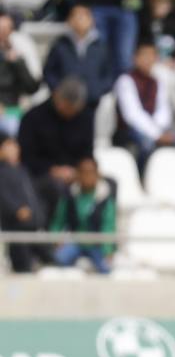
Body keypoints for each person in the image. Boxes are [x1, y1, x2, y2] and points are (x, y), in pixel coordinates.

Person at [17, 78, 95, 214]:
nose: (71, 112)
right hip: (41, 175)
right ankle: (56, 231)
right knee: (58, 187)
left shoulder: (85, 118)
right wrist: (53, 170)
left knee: (107, 185)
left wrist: (82, 169)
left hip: (76, 172)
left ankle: (97, 231)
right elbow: (26, 158)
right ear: (58, 98)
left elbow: (87, 152)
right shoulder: (33, 117)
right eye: (68, 107)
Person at [113, 41, 175, 166]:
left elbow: (163, 109)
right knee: (147, 144)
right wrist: (156, 134)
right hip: (129, 131)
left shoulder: (158, 81)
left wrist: (160, 129)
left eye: (152, 55)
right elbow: (132, 115)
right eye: (144, 55)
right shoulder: (125, 80)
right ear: (135, 58)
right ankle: (142, 179)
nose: (148, 60)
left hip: (155, 128)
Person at [47, 155, 115, 273]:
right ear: (77, 174)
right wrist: (56, 240)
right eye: (83, 172)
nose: (87, 176)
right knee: (59, 259)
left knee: (105, 268)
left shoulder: (105, 198)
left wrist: (108, 250)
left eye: (90, 172)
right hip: (75, 241)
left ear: (97, 174)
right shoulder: (69, 196)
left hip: (97, 244)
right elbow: (58, 221)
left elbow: (108, 226)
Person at [43, 5, 117, 103]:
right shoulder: (60, 45)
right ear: (69, 20)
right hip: (65, 103)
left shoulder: (101, 46)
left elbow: (109, 74)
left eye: (83, 16)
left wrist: (97, 90)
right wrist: (59, 90)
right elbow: (49, 72)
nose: (79, 20)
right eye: (75, 16)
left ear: (92, 20)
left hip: (93, 102)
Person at [0, 129, 45, 271]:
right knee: (22, 266)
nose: (14, 149)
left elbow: (33, 195)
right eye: (9, 145)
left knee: (49, 261)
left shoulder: (23, 170)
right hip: (15, 227)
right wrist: (16, 210)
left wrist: (40, 213)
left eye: (15, 145)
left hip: (34, 226)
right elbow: (3, 195)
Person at [0, 15, 40, 138]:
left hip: (12, 111)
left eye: (7, 30)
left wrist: (18, 63)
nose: (3, 34)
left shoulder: (19, 49)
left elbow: (32, 87)